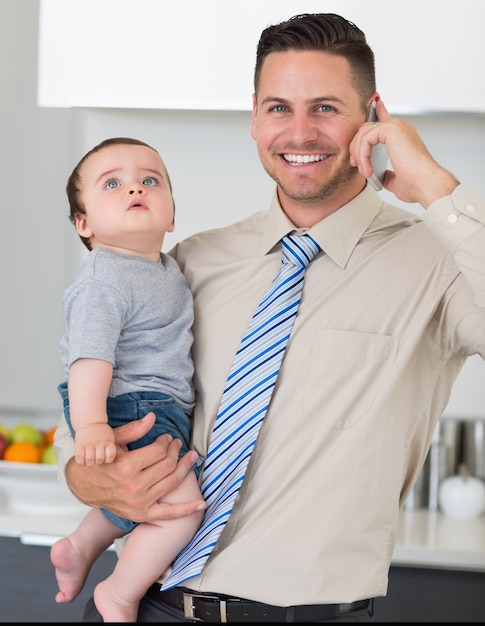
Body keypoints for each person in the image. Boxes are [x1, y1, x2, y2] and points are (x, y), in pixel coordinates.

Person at [54, 13, 485, 623]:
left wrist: (437, 187)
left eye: (327, 108)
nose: (300, 131)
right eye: (279, 107)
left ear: (374, 117)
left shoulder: (442, 265)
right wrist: (82, 471)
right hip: (147, 606)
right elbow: (105, 379)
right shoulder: (190, 263)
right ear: (255, 117)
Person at [50, 137, 205, 622]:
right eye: (112, 183)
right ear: (84, 224)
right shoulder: (105, 278)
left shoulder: (163, 267)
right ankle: (119, 592)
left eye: (150, 180)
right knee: (183, 506)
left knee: (139, 491)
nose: (134, 188)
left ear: (172, 216)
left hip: (156, 403)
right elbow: (89, 357)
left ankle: (81, 545)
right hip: (127, 404)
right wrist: (92, 424)